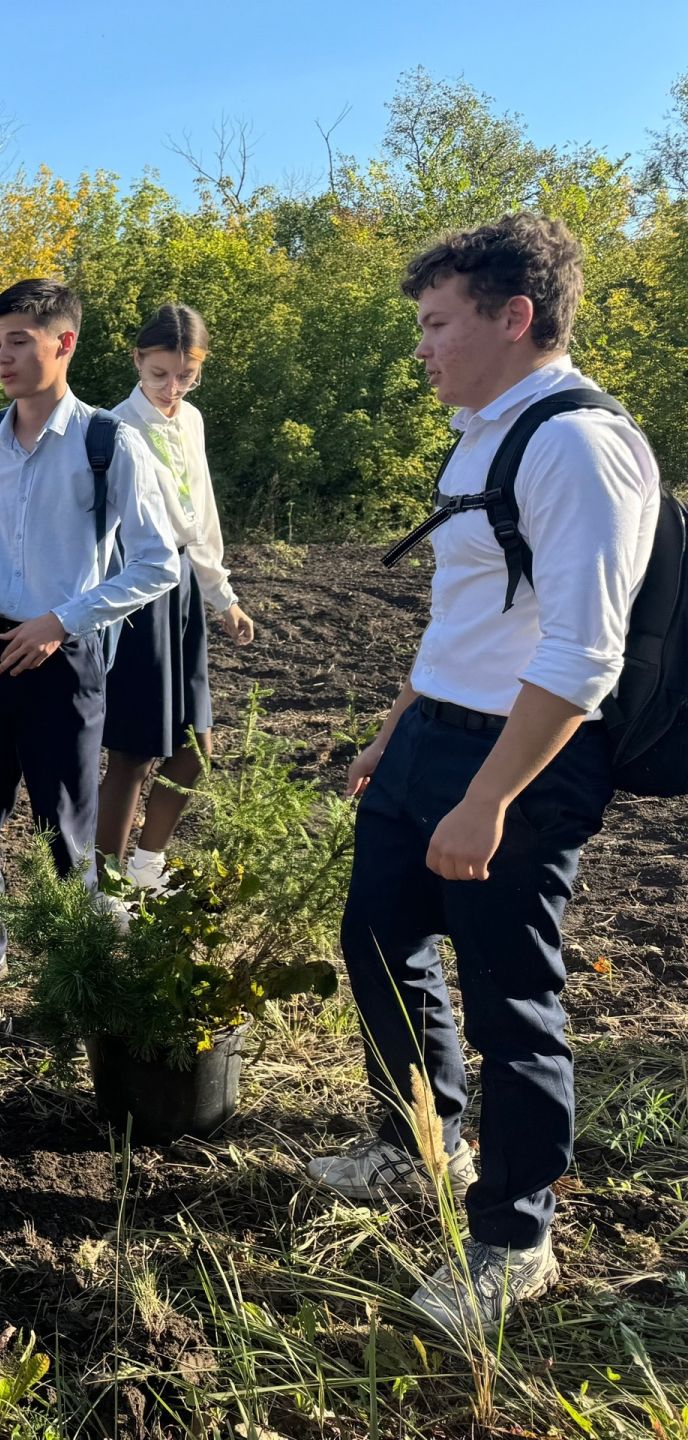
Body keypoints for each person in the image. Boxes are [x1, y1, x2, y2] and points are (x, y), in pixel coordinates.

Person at [310, 214, 660, 1333]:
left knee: (514, 995)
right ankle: (422, 1141)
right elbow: (472, 610)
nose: (421, 347)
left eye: (437, 324)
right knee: (376, 936)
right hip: (434, 734)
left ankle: (516, 1234)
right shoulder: (482, 430)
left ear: (515, 319)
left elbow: (581, 655)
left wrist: (490, 797)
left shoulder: (576, 445)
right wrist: (393, 729)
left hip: (526, 756)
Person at [0, 279, 180, 1015]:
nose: (2, 358)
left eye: (18, 342)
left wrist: (61, 621)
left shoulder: (109, 444)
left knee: (64, 829)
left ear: (63, 343)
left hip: (64, 661)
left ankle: (74, 979)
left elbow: (157, 562)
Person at [95, 304, 257, 887]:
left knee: (196, 746)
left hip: (185, 588)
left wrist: (224, 597)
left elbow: (201, 514)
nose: (172, 387)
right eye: (160, 373)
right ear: (138, 360)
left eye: (186, 375)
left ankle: (147, 867)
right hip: (138, 593)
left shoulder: (192, 421)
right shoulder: (114, 428)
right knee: (134, 754)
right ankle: (105, 889)